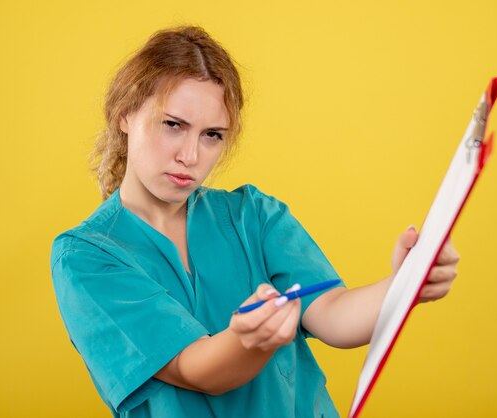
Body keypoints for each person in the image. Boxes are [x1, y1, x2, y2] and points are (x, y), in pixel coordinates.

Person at [50, 25, 460, 418]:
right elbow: (198, 370)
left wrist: (406, 284)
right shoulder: (86, 257)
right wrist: (251, 342)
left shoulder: (253, 215)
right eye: (173, 125)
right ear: (125, 115)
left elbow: (333, 315)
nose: (191, 157)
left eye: (212, 135)